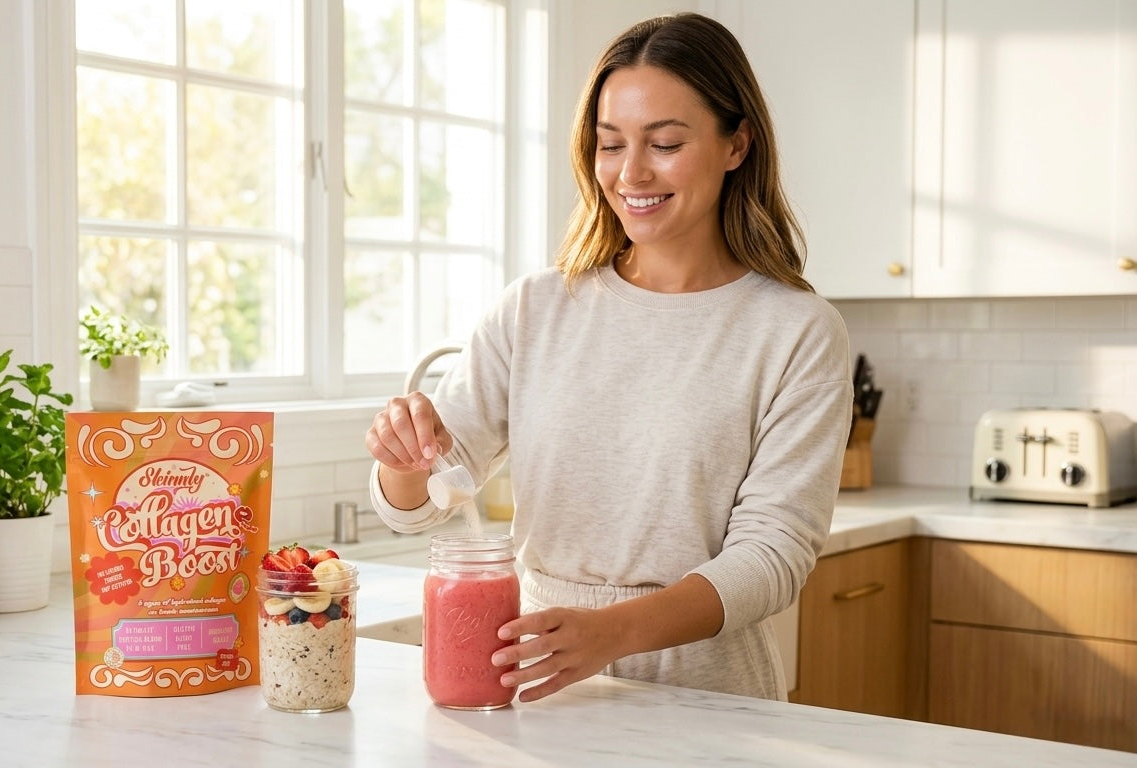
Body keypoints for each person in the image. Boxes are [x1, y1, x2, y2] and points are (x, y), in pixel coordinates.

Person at [364, 12, 851, 704]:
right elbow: (417, 504)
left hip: (710, 700)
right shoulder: (535, 308)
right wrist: (398, 456)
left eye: (666, 143)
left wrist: (610, 633)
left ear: (736, 143)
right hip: (542, 681)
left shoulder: (795, 331)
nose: (632, 173)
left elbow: (773, 556)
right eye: (610, 144)